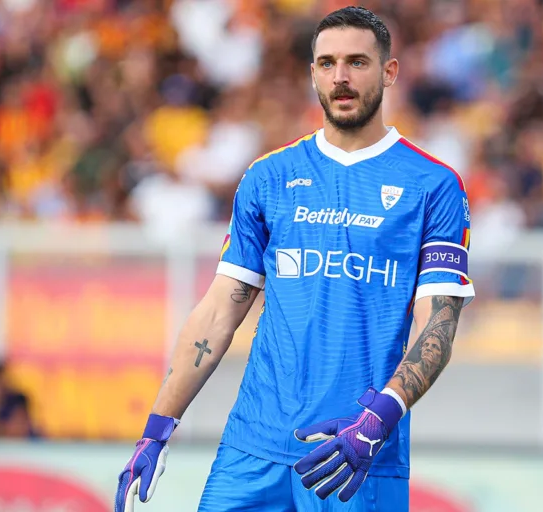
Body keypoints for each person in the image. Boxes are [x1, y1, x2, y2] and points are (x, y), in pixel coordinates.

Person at [114, 6, 474, 512]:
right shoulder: (269, 176)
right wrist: (156, 429)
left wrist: (380, 418)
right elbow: (218, 312)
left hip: (353, 456)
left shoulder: (433, 185)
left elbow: (437, 325)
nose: (341, 77)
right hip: (251, 448)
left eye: (357, 62)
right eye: (327, 63)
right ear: (313, 73)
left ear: (389, 72)